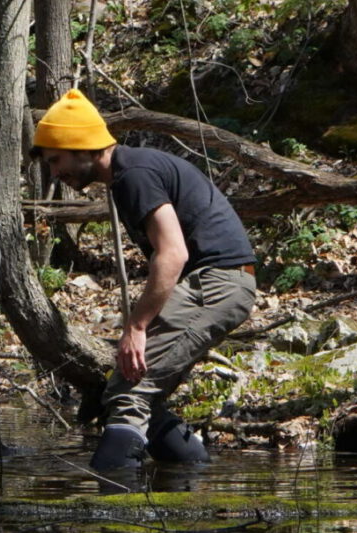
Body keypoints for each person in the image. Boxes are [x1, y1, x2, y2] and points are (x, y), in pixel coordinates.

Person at [32, 88, 258, 470]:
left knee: (128, 391)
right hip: (218, 284)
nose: (55, 173)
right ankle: (193, 483)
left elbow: (172, 253)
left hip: (216, 284)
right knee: (143, 395)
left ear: (83, 146)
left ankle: (112, 507)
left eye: (57, 160)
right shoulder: (131, 171)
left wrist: (136, 326)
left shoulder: (133, 174)